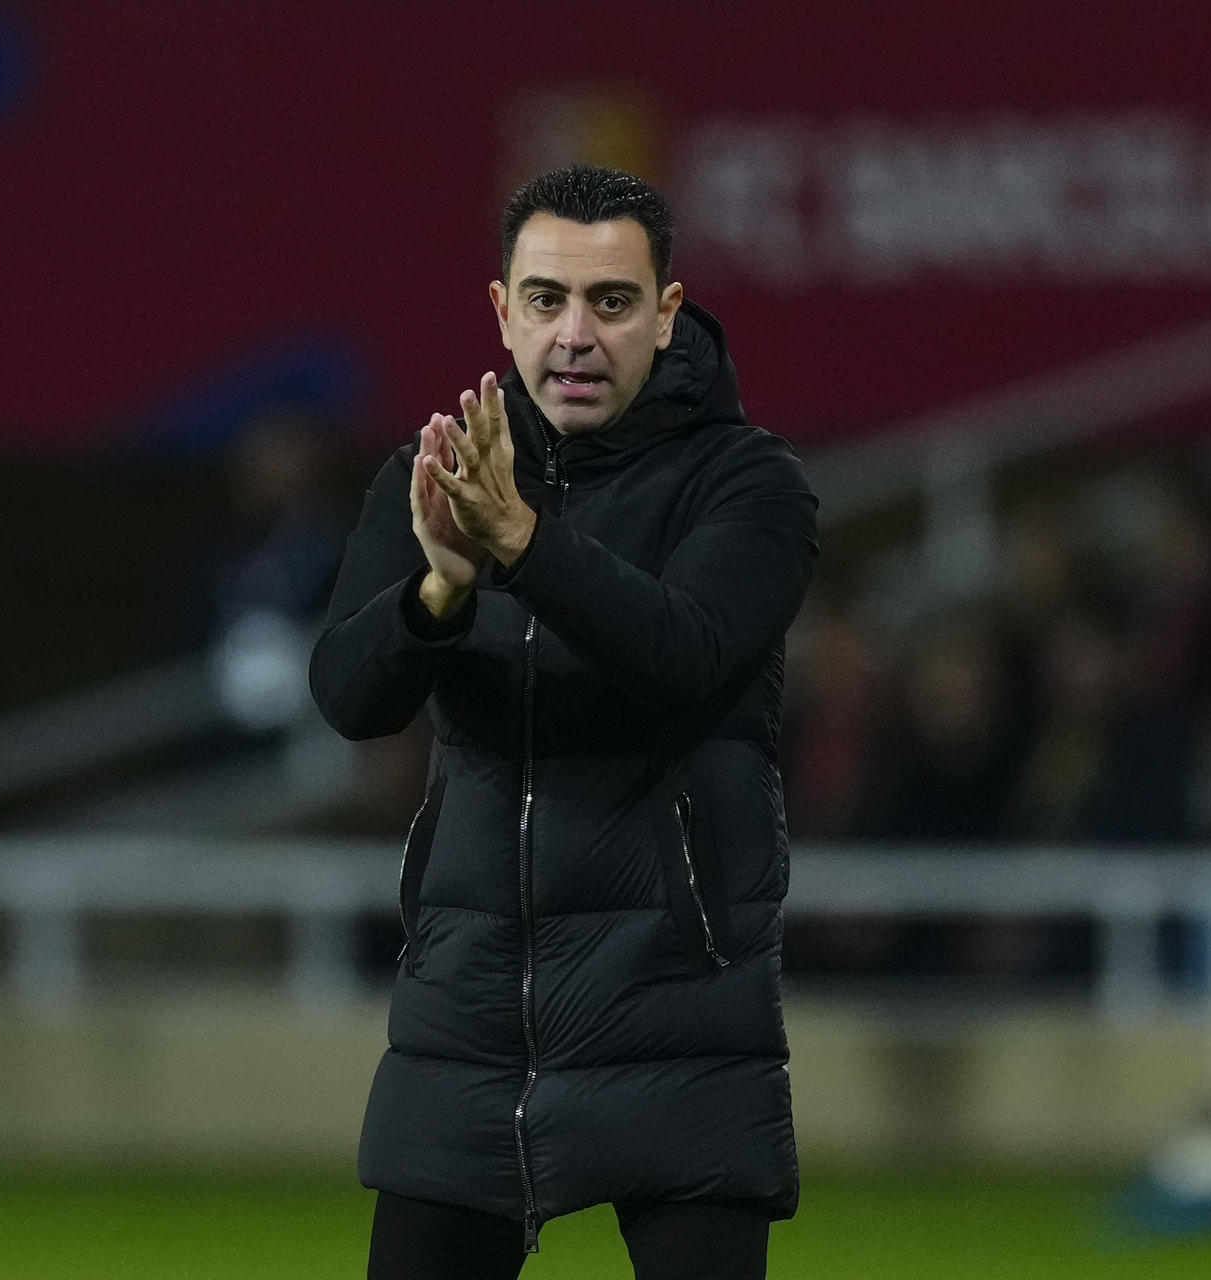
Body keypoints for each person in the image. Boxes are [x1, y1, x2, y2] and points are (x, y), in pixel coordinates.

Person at [309, 166, 817, 1280]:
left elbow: (681, 653)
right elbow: (349, 694)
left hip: (681, 1015)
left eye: (612, 302)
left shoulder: (749, 486)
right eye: (546, 300)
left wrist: (526, 545)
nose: (575, 335)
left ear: (668, 313)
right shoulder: (433, 476)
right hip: (470, 1019)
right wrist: (436, 592)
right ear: (501, 309)